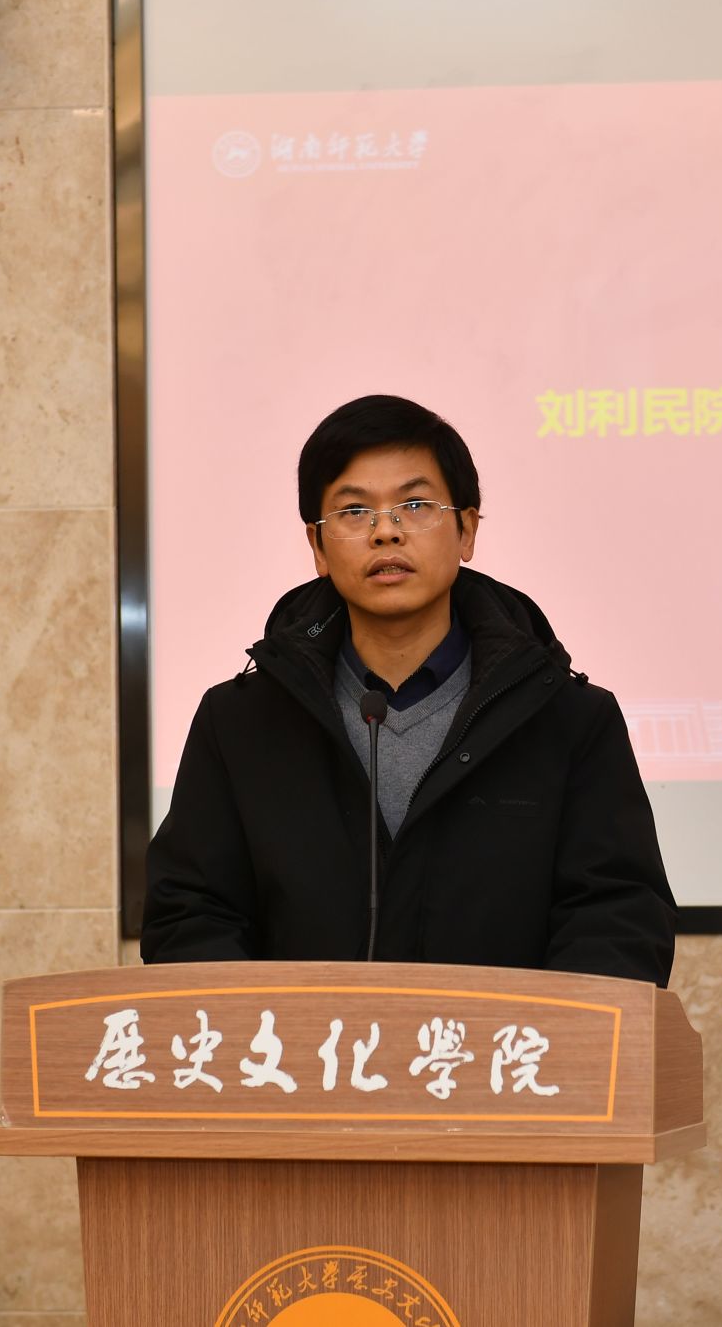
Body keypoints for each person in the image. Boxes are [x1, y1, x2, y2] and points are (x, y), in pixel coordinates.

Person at [143, 394, 678, 985]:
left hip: (506, 1045)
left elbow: (617, 917)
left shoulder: (568, 720)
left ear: (467, 529)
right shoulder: (239, 722)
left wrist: (551, 1032)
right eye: (354, 511)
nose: (385, 532)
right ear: (317, 547)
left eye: (415, 505)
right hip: (301, 1045)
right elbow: (190, 916)